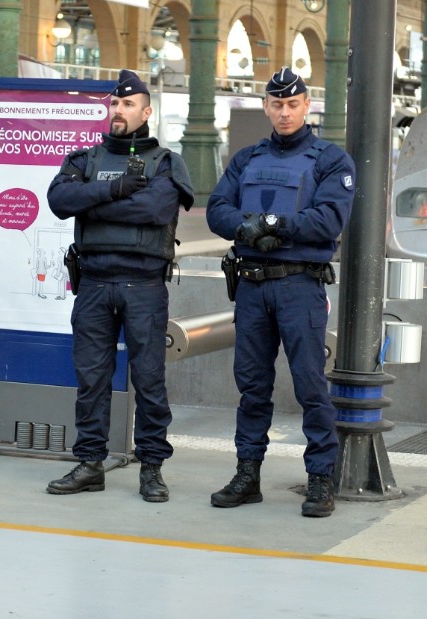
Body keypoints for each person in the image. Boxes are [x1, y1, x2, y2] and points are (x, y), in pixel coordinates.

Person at [205, 67, 355, 518]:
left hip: (299, 287)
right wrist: (248, 228)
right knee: (252, 387)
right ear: (267, 107)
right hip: (252, 286)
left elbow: (329, 220)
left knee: (311, 387)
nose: (285, 112)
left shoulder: (331, 160)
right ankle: (247, 474)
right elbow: (217, 210)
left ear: (307, 105)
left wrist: (273, 225)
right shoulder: (248, 158)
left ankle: (321, 480)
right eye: (277, 104)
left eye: (293, 104)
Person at [46, 70, 194, 502]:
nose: (118, 110)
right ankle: (91, 463)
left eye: (128, 105)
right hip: (94, 283)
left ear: (147, 112)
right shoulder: (84, 159)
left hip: (144, 286)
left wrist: (93, 200)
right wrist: (113, 190)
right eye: (114, 103)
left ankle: (152, 467)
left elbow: (153, 209)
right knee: (91, 378)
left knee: (148, 379)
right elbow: (58, 202)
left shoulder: (166, 163)